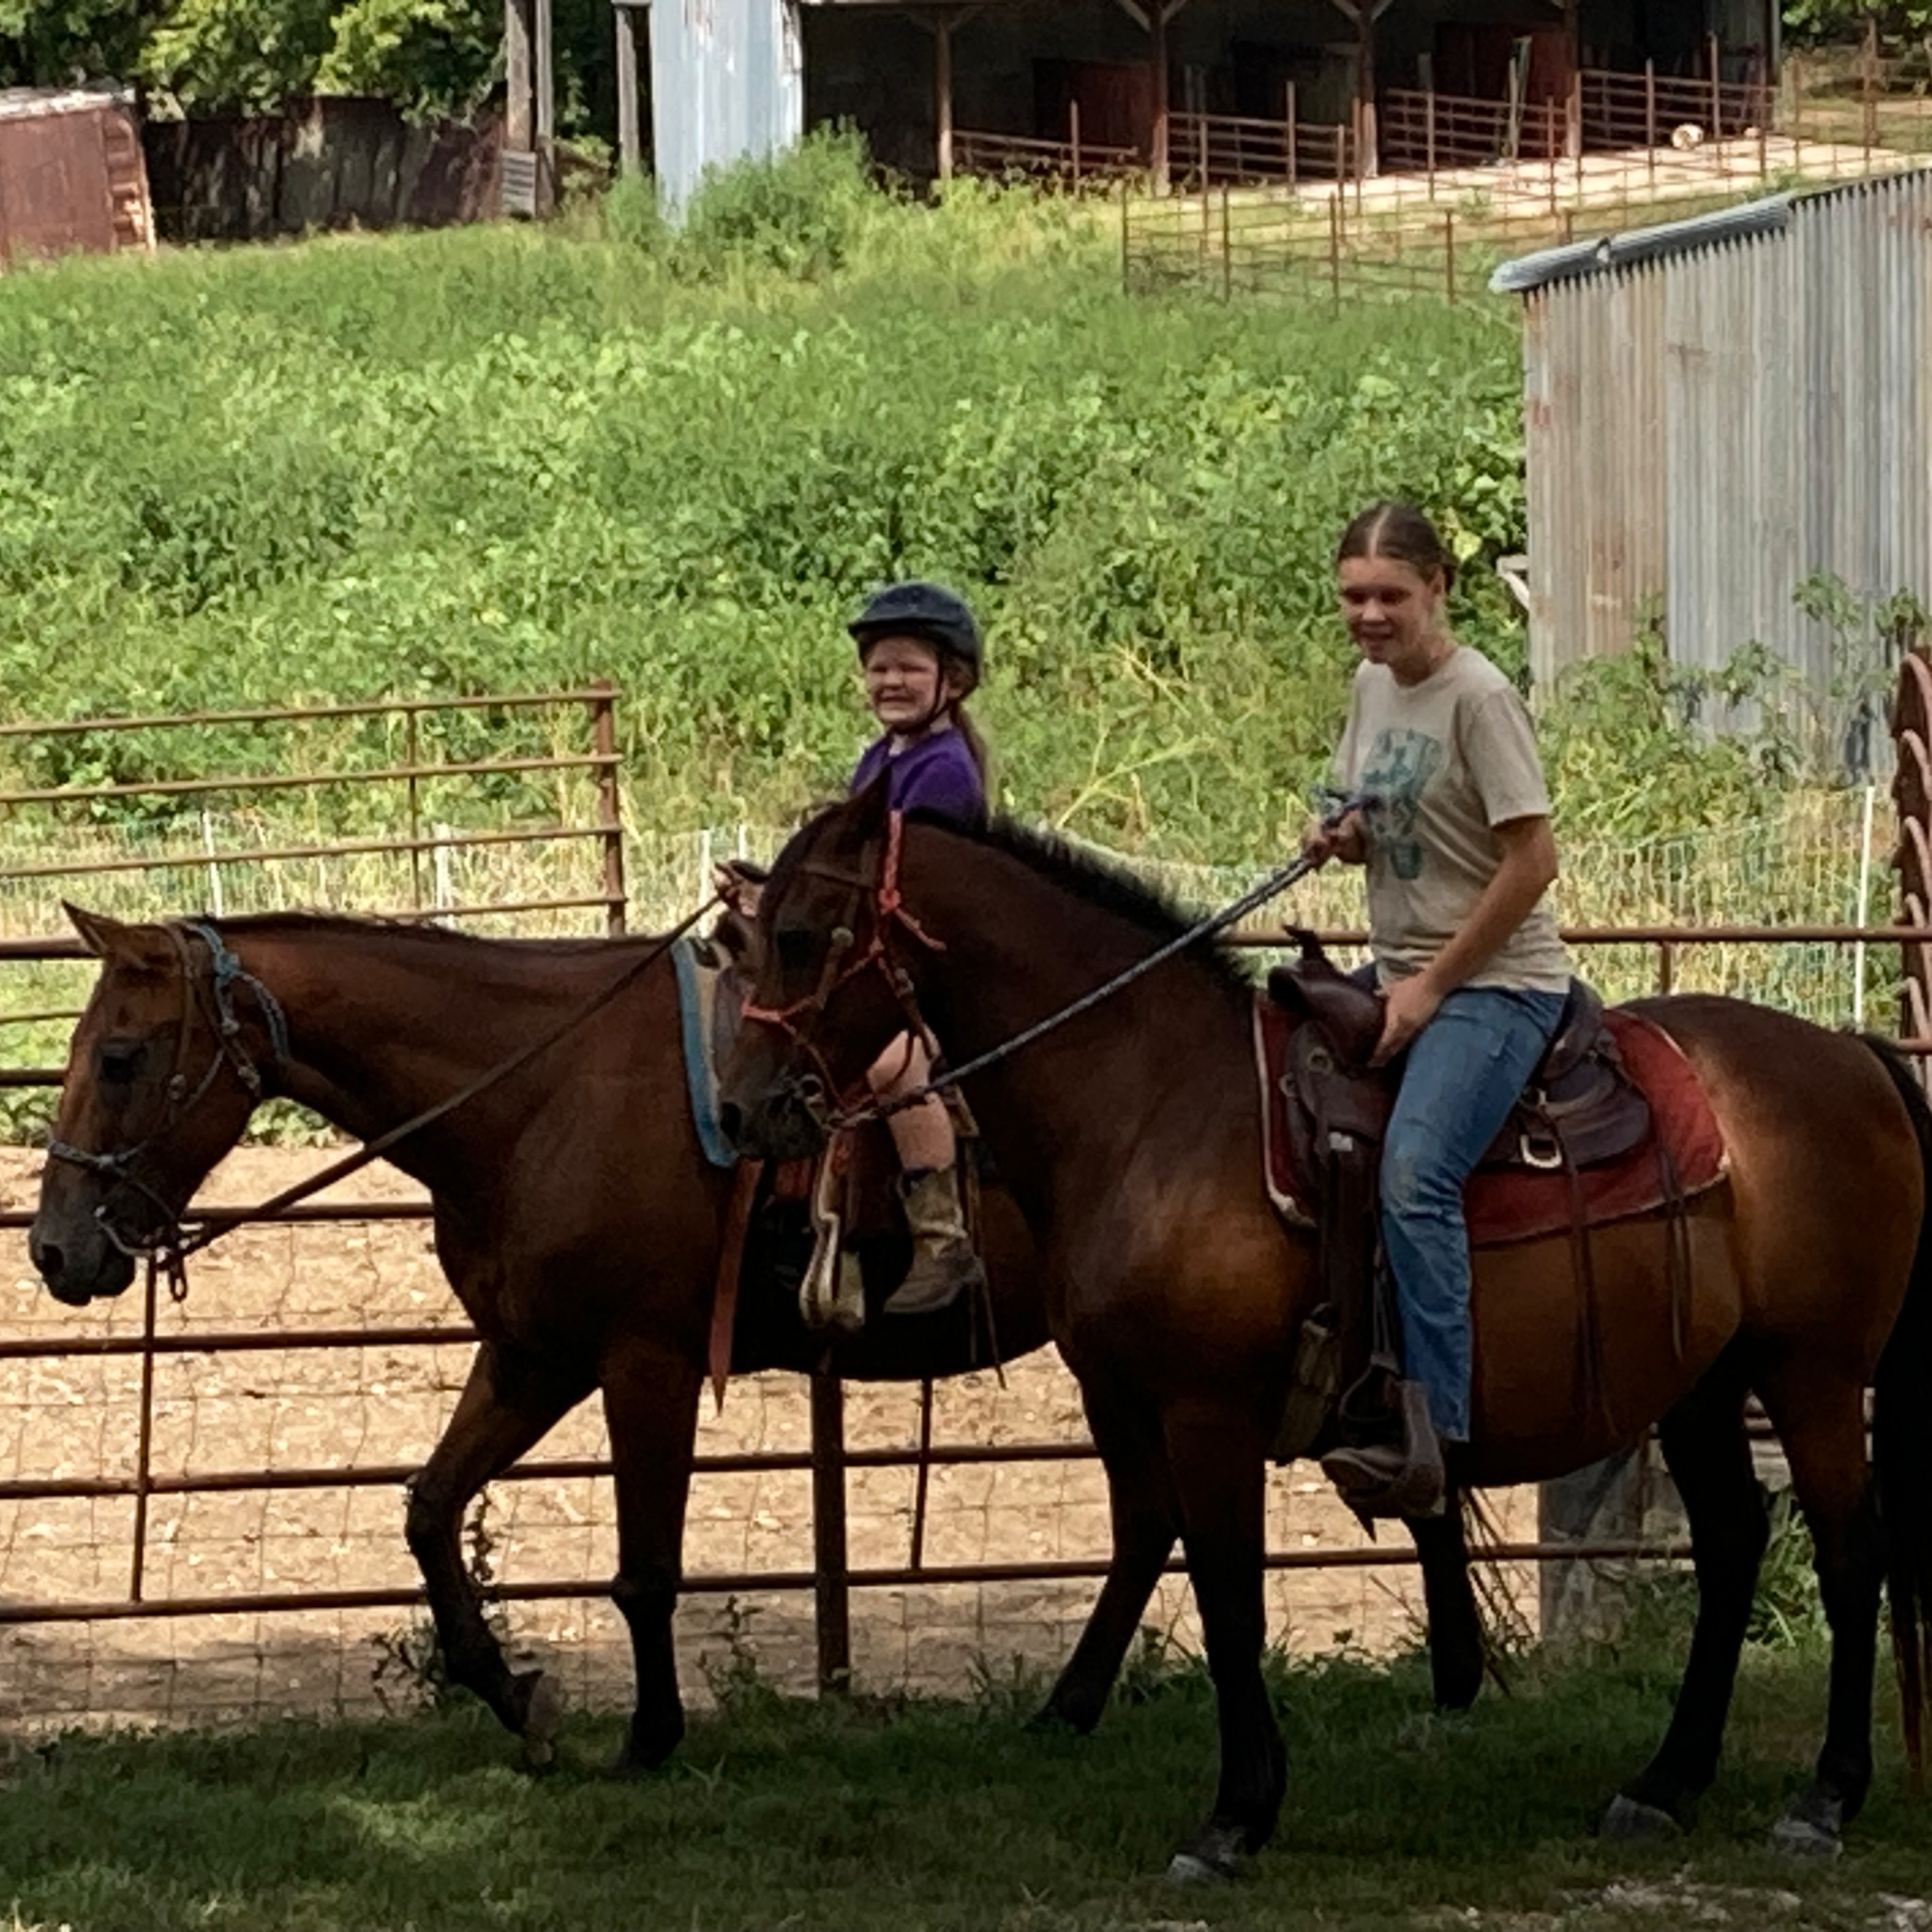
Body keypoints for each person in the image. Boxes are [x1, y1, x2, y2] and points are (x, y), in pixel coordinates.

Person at [1301, 503, 1571, 1519]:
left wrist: (1429, 987)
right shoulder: (1373, 685)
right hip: (1400, 966)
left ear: (1439, 588)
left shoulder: (1480, 698)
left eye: (1390, 596)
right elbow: (1378, 814)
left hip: (1498, 982)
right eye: (1354, 597)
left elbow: (1532, 862)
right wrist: (1345, 836)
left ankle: (1438, 1431)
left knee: (1415, 1173)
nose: (1370, 616)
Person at [722, 581, 990, 1316]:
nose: (890, 681)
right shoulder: (880, 758)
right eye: (879, 668)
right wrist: (773, 894)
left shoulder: (944, 772)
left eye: (909, 667)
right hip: (879, 959)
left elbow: (905, 892)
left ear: (952, 680)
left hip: (922, 969)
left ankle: (940, 1232)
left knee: (891, 1062)